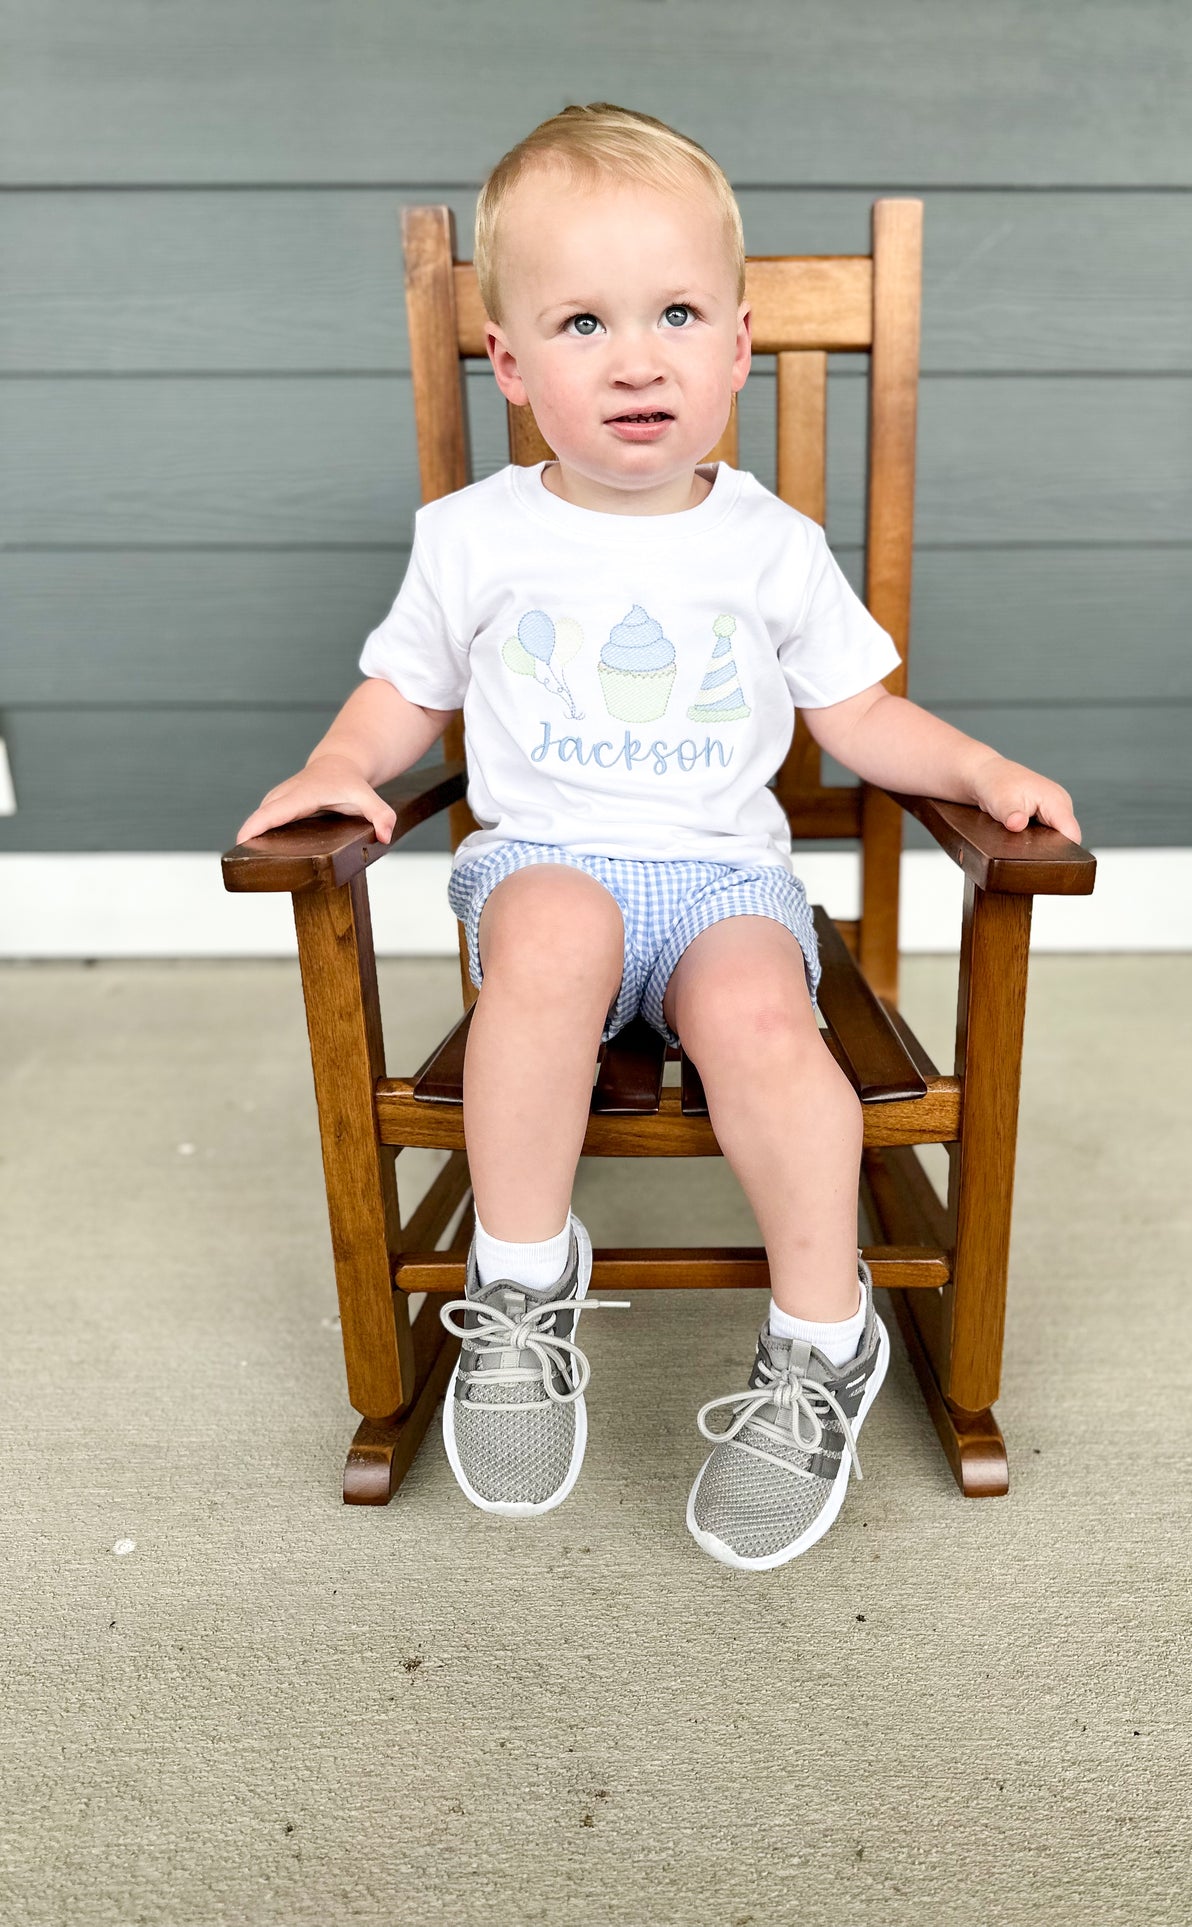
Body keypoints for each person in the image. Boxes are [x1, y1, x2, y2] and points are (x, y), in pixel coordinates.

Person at [236, 102, 1079, 1572]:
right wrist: (333, 767)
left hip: (719, 880)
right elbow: (401, 695)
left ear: (737, 347)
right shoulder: (473, 534)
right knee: (553, 942)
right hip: (545, 863)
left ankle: (821, 1347)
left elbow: (863, 715)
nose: (637, 357)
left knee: (762, 1013)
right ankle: (518, 1283)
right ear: (508, 362)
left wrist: (982, 766)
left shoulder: (766, 542)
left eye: (677, 313)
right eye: (580, 322)